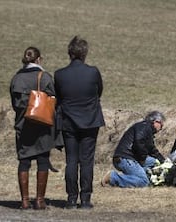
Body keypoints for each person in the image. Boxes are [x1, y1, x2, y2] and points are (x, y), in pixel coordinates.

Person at [54, 36, 105, 209]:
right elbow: (99, 91)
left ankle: (70, 198)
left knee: (71, 160)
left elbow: (58, 97)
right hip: (90, 121)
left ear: (69, 53)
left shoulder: (60, 74)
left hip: (69, 121)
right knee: (87, 161)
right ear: (84, 53)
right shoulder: (93, 72)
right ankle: (85, 198)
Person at [10, 47, 56, 210]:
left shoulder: (16, 78)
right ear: (38, 60)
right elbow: (53, 100)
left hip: (23, 124)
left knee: (24, 161)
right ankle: (40, 200)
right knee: (43, 161)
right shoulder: (45, 77)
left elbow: (14, 104)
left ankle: (24, 201)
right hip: (42, 125)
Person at [101, 111, 166, 188]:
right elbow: (139, 142)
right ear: (156, 122)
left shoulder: (146, 129)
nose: (161, 129)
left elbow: (152, 149)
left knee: (155, 162)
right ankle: (112, 177)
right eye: (161, 126)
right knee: (144, 181)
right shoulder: (145, 127)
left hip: (132, 157)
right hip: (125, 158)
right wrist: (142, 159)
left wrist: (163, 161)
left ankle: (135, 176)